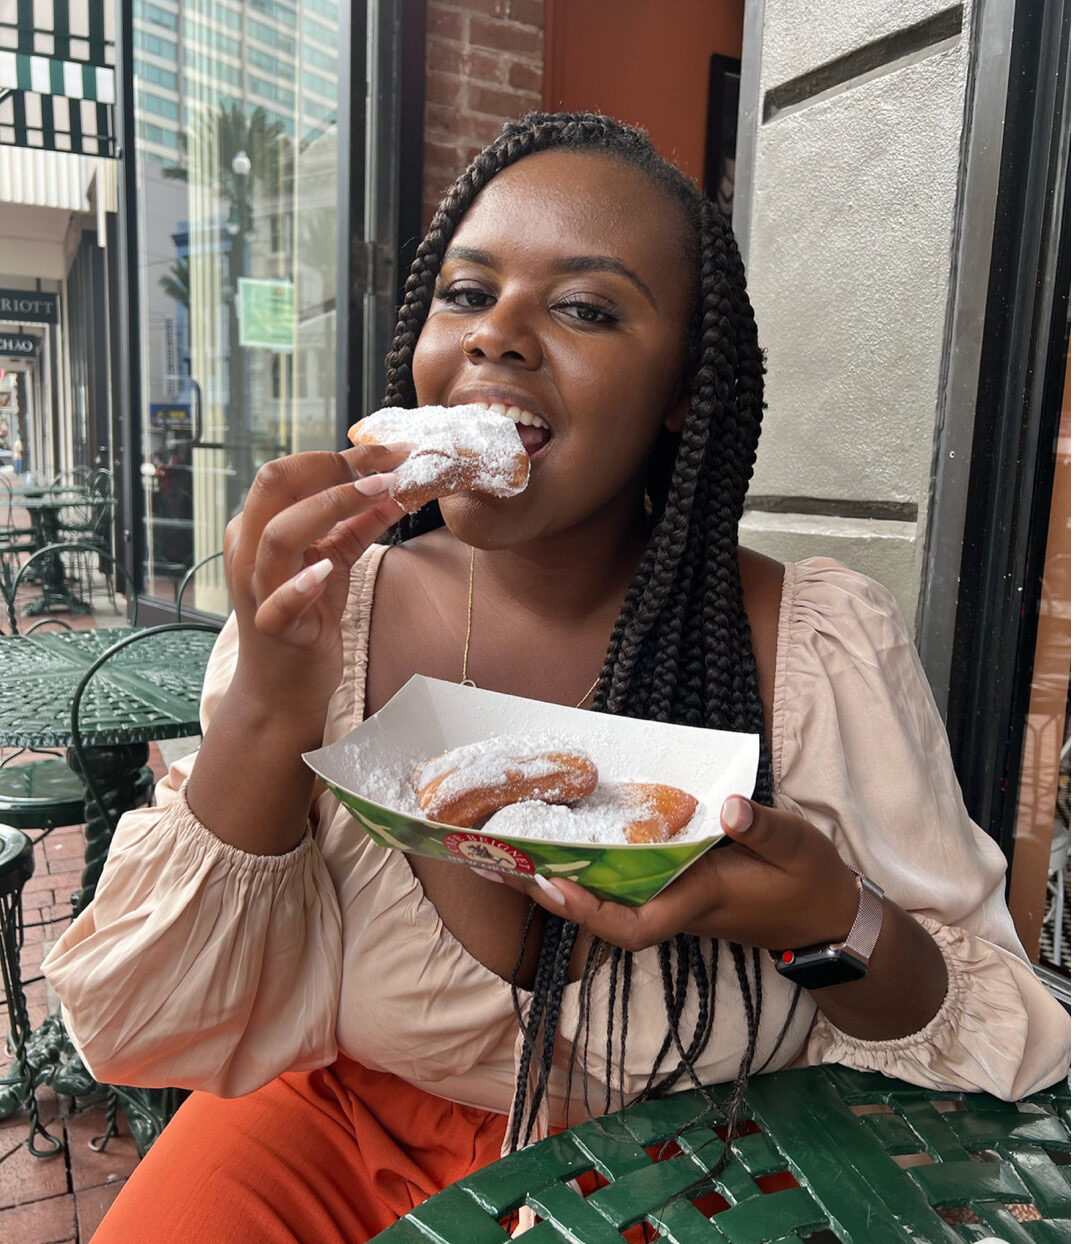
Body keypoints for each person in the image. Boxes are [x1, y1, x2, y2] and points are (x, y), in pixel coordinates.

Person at [44, 113, 1068, 1242]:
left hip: (688, 1169)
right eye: (467, 294)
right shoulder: (325, 617)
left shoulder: (813, 645)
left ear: (684, 388)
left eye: (585, 306)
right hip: (330, 1133)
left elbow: (987, 1046)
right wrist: (274, 697)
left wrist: (823, 914)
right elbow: (155, 1022)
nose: (498, 338)